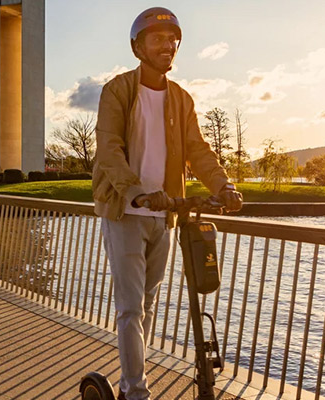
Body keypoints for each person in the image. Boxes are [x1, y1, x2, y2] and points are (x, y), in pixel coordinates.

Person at [91, 7, 243, 399]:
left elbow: (199, 150)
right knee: (130, 309)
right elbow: (109, 149)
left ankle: (131, 384)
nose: (168, 45)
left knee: (149, 305)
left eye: (172, 39)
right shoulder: (119, 90)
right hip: (126, 211)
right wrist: (134, 191)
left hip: (166, 215)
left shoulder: (181, 98)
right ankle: (137, 392)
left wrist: (224, 186)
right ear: (138, 46)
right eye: (157, 38)